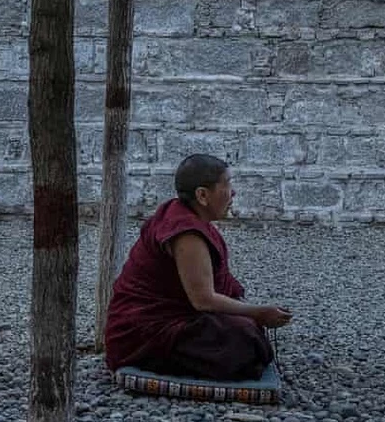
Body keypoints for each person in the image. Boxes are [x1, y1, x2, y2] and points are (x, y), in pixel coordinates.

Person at [103, 154, 291, 381]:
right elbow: (203, 300)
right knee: (245, 342)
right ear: (202, 195)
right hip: (142, 333)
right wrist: (258, 312)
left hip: (167, 318)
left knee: (246, 331)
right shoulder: (186, 233)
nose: (233, 193)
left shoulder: (182, 215)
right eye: (227, 185)